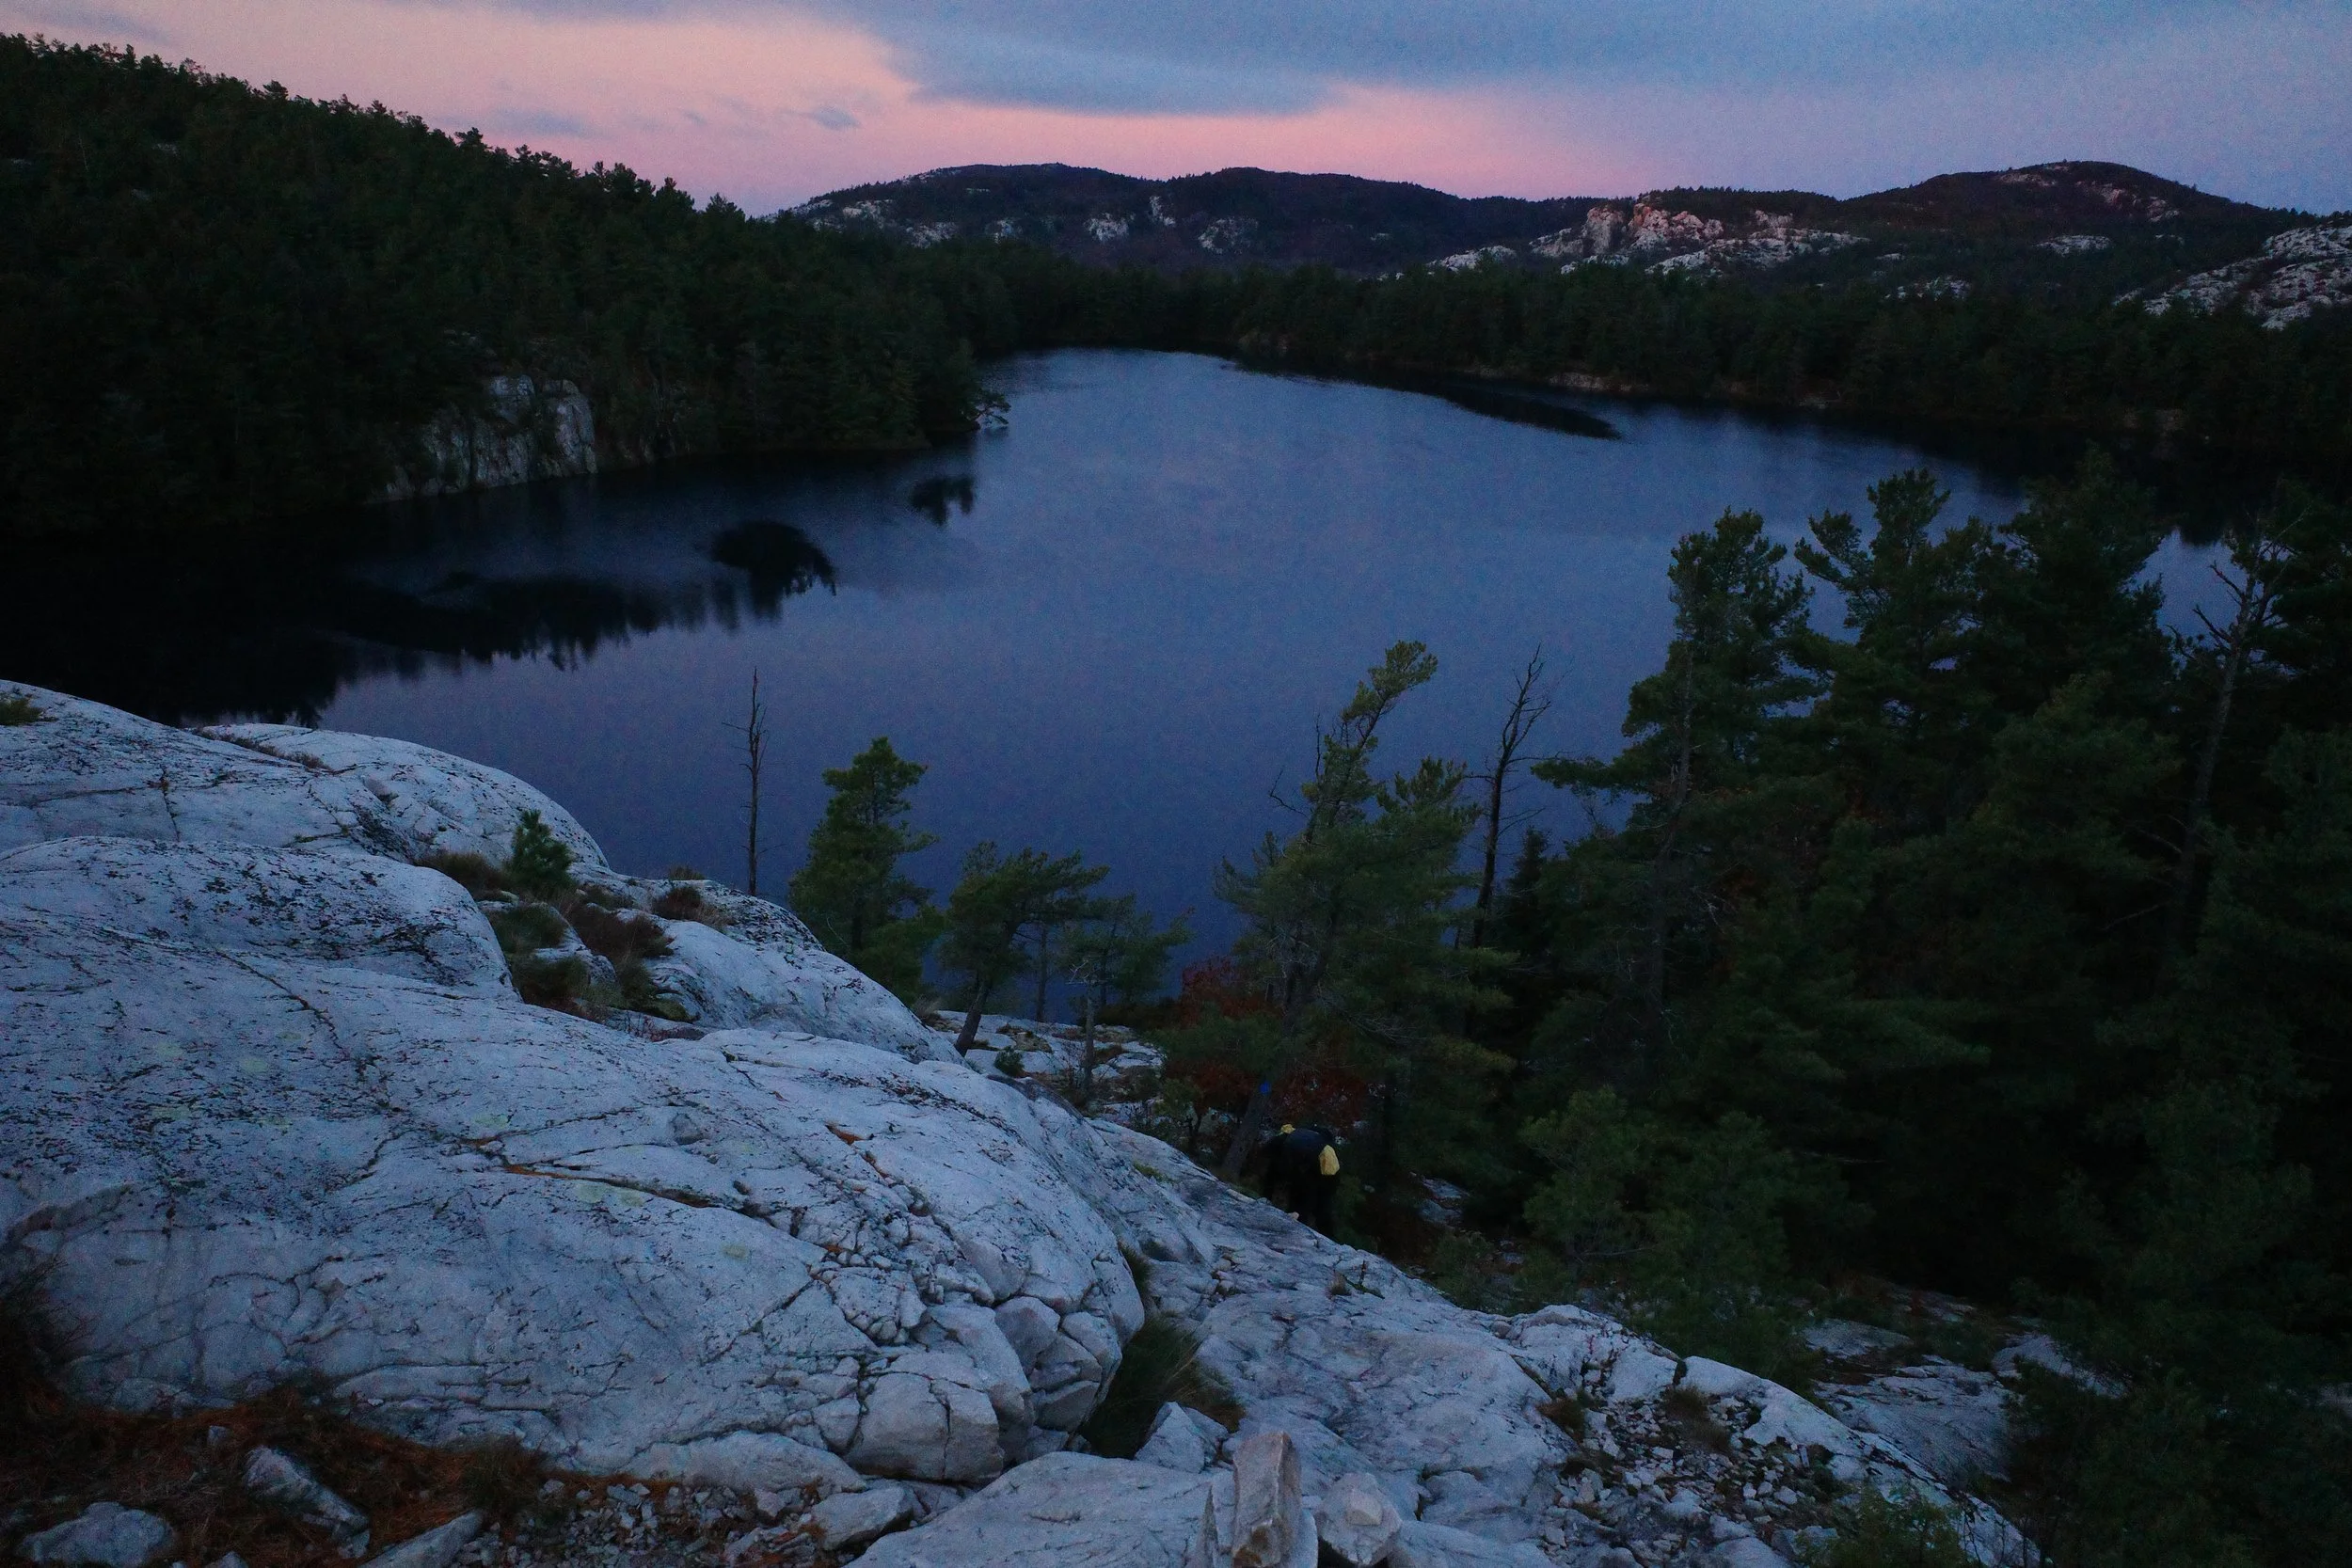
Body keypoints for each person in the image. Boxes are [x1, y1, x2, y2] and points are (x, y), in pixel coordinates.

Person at [1261, 1122, 1341, 1235]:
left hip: (1322, 1176)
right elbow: (1270, 1173)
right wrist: (1266, 1198)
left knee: (1322, 1208)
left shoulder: (1326, 1159)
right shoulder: (1282, 1141)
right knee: (1296, 1196)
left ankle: (1327, 1236)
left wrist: (1299, 1212)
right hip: (1295, 1158)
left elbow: (1318, 1192)